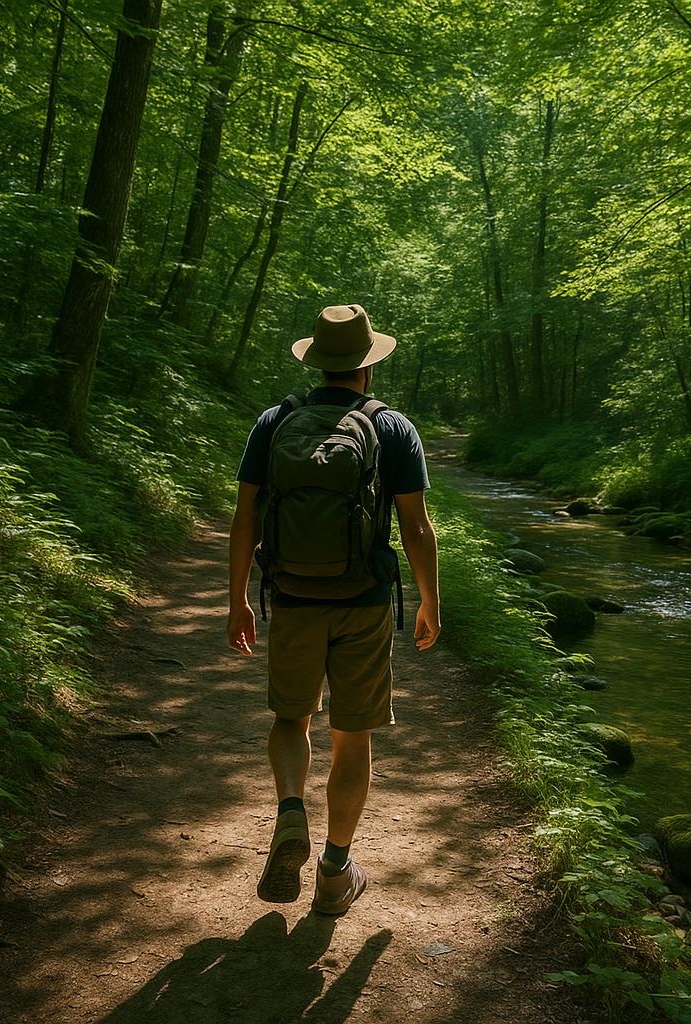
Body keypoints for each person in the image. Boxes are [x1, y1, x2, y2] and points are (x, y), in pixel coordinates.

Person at [226, 303, 440, 916]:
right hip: (363, 601)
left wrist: (237, 600)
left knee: (291, 719)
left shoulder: (274, 422)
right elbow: (416, 526)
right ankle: (335, 869)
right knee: (352, 736)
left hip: (292, 595)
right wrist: (429, 601)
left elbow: (246, 517)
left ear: (317, 362)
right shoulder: (393, 428)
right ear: (368, 365)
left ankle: (291, 809)